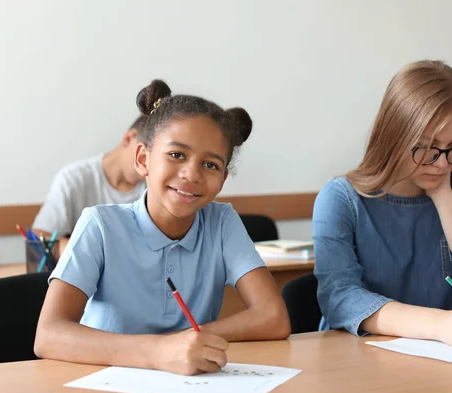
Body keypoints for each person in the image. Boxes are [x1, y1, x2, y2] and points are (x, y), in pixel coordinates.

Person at [35, 79, 290, 375]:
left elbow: (274, 317)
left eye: (210, 164)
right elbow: (48, 335)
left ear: (222, 181)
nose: (191, 174)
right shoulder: (100, 225)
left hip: (191, 384)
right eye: (177, 155)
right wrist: (159, 352)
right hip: (102, 381)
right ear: (143, 159)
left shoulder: (222, 222)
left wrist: (184, 343)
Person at [313, 60, 452, 350]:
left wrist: (444, 197)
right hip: (360, 362)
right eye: (427, 147)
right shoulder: (341, 199)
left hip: (448, 363)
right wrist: (439, 325)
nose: (443, 162)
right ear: (394, 136)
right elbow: (339, 298)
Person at [32, 115, 148, 251]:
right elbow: (40, 237)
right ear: (128, 139)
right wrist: (86, 252)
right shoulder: (74, 178)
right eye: (146, 154)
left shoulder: (158, 188)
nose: (150, 165)